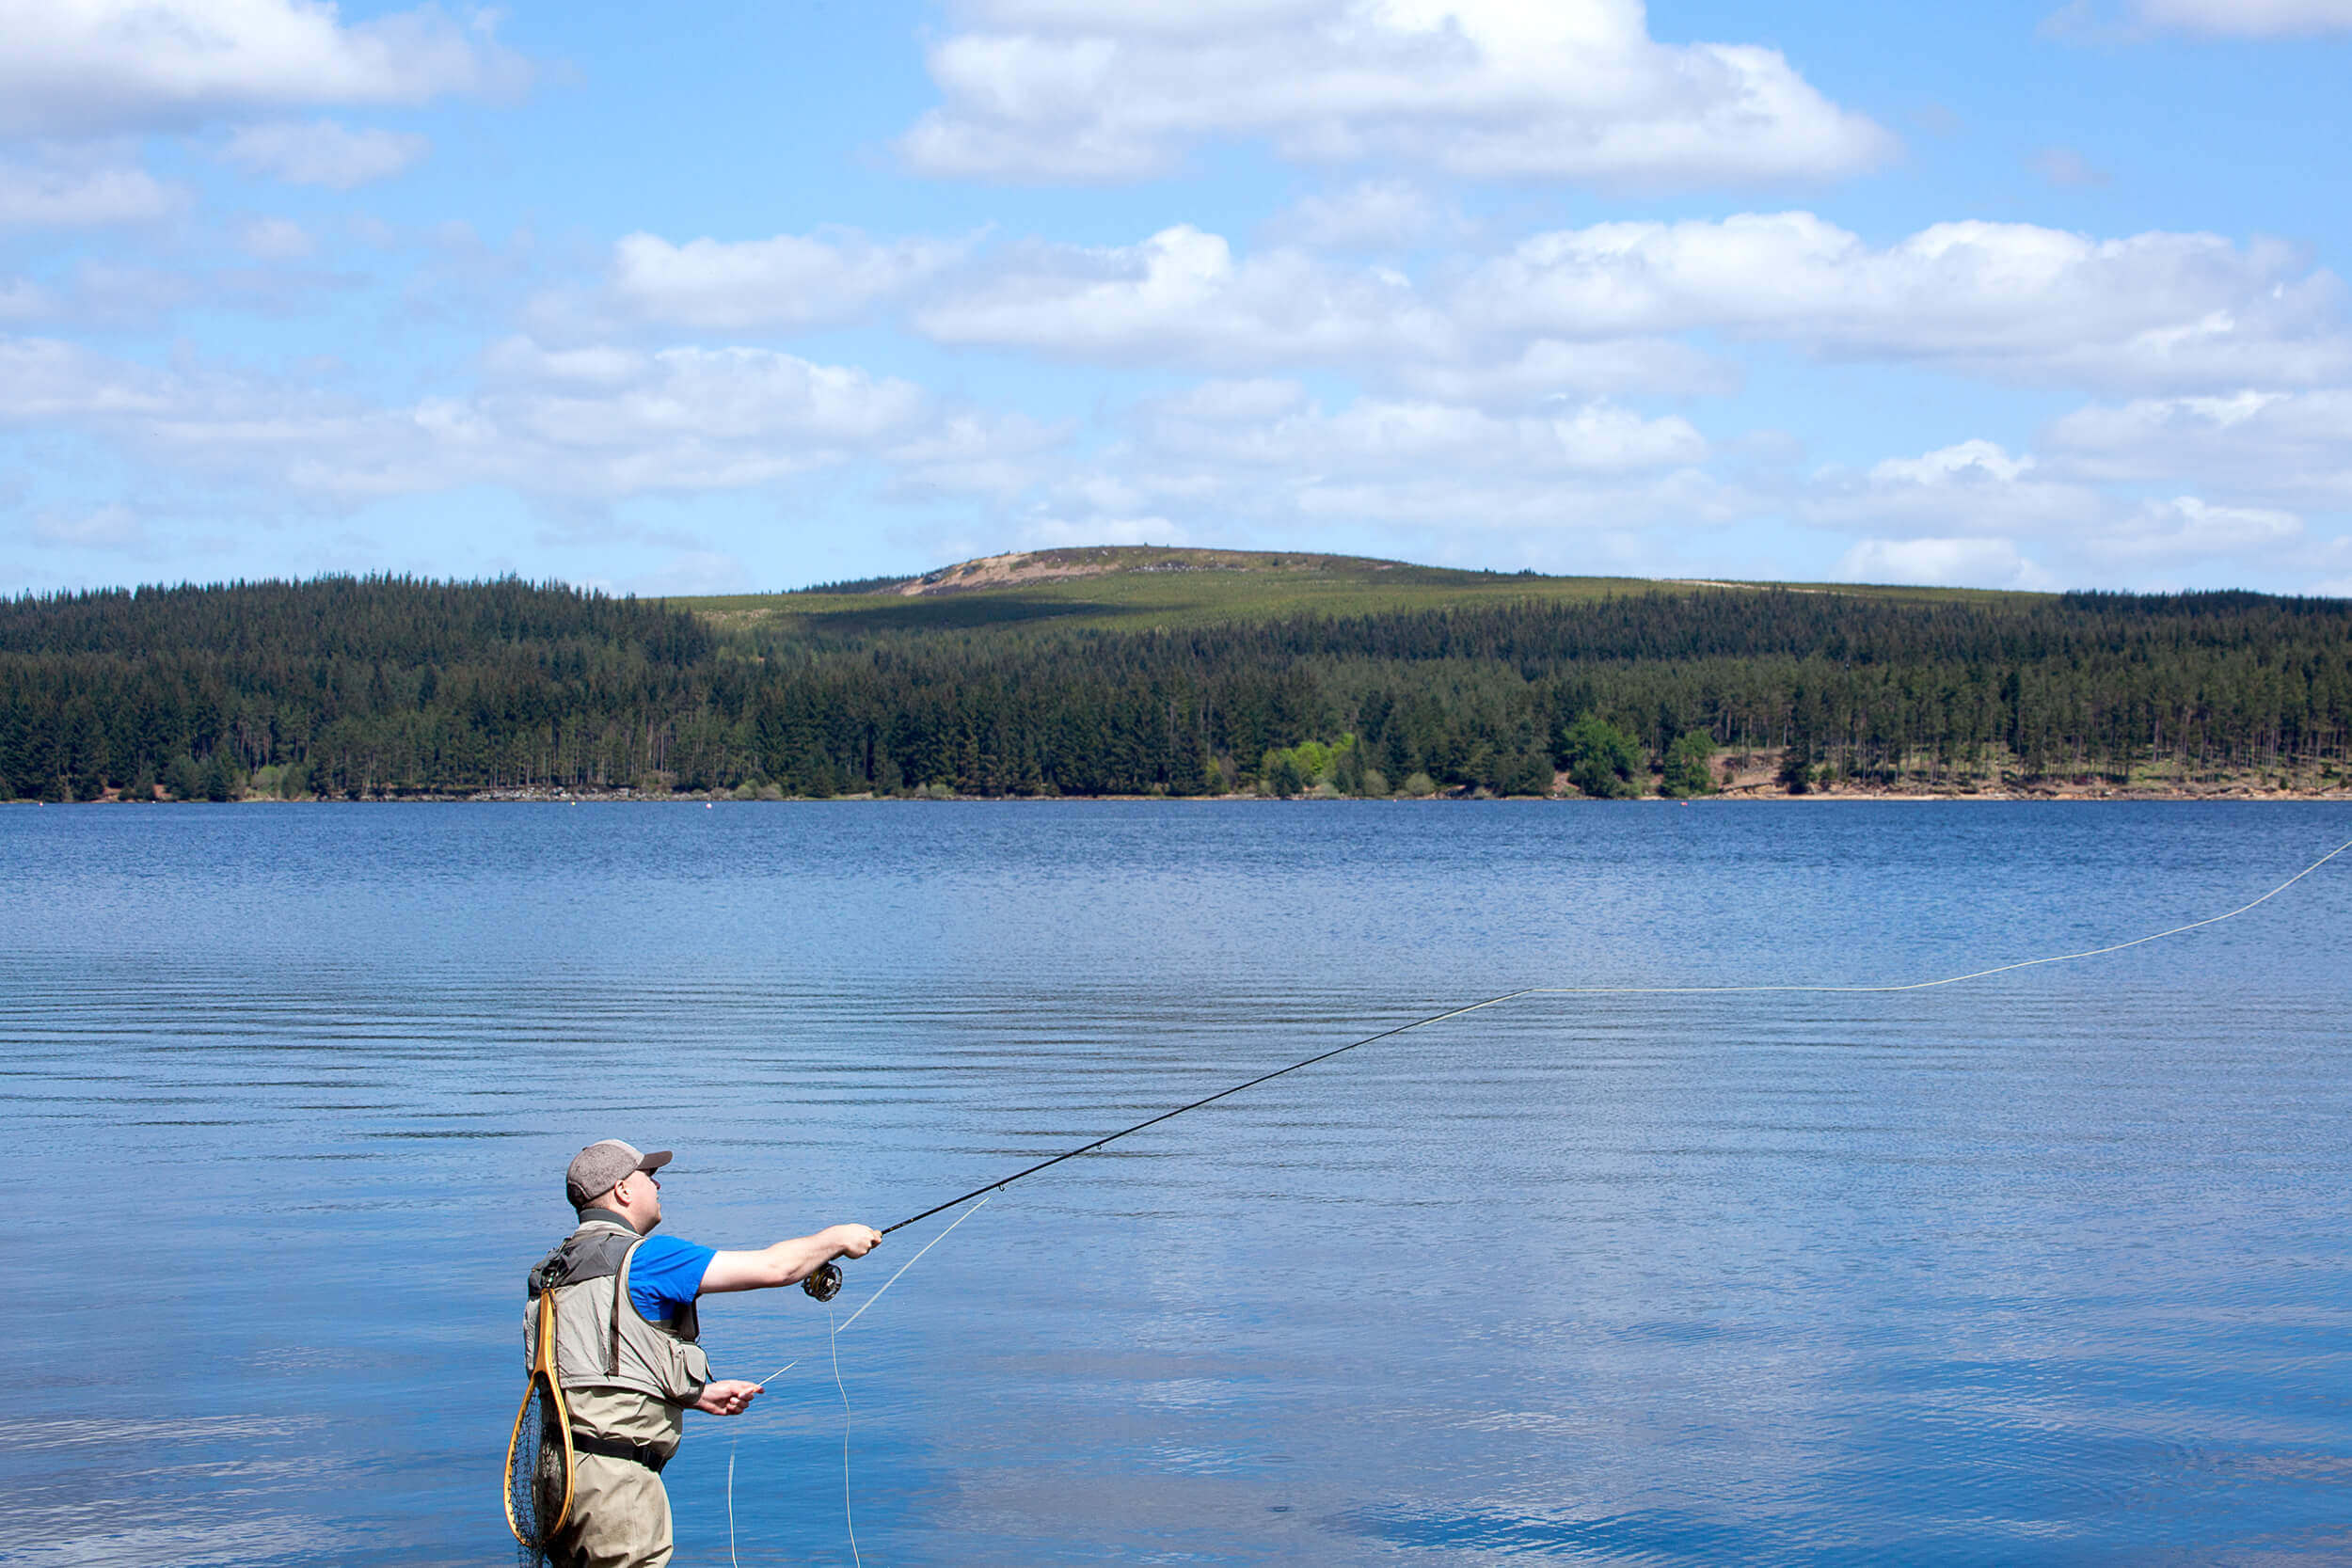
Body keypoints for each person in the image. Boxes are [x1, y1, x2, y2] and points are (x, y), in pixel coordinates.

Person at [525, 1139, 882, 1568]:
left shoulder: (554, 1268)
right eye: (648, 1176)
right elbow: (776, 1268)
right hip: (614, 1487)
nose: (658, 1185)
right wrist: (836, 1239)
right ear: (623, 1191)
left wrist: (694, 1395)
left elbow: (598, 1361)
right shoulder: (651, 1258)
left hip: (555, 1475)